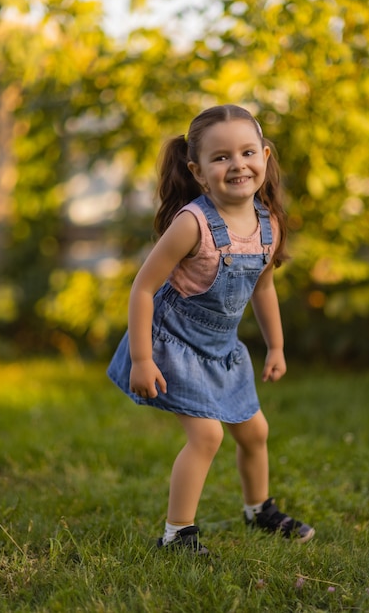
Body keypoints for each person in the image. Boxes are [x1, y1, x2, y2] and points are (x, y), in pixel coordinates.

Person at [107, 104, 314, 554]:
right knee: (207, 435)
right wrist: (142, 359)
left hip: (222, 348)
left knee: (254, 431)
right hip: (173, 344)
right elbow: (143, 289)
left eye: (246, 152)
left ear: (265, 155)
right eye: (221, 158)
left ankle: (258, 509)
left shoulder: (268, 224)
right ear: (198, 172)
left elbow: (263, 288)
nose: (237, 164)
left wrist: (275, 346)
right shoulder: (191, 224)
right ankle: (177, 534)